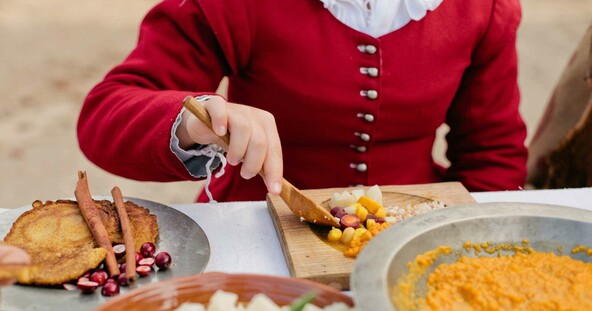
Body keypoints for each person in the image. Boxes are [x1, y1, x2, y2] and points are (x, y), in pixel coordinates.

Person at [78, 0, 528, 203]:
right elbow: (105, 112)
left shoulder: (482, 8)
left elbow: (493, 153)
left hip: (418, 235)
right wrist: (193, 118)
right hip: (256, 230)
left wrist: (472, 245)